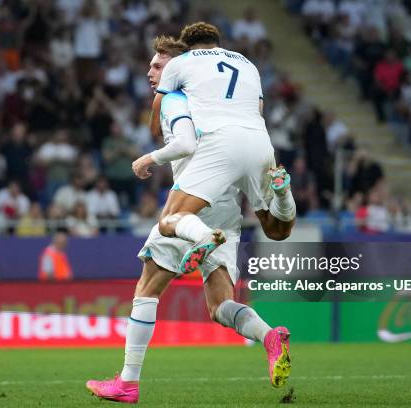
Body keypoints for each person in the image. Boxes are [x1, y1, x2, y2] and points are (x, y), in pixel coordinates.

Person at [86, 34, 295, 404]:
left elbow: (184, 143)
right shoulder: (219, 95)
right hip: (227, 203)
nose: (150, 71)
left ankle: (127, 383)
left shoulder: (178, 97)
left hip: (196, 202)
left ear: (178, 65)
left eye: (157, 64)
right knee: (219, 306)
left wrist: (149, 157)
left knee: (147, 288)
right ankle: (269, 336)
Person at [145, 22, 295, 276]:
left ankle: (204, 236)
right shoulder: (248, 64)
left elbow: (159, 116)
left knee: (171, 218)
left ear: (187, 46)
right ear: (217, 42)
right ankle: (284, 194)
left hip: (219, 143)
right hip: (259, 141)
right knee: (277, 229)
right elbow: (258, 111)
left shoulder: (181, 63)